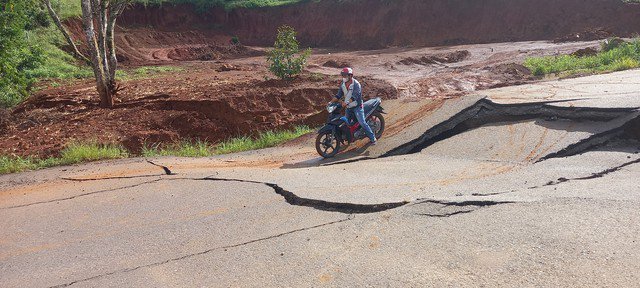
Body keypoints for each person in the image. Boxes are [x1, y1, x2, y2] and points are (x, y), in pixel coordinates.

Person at [331, 67, 377, 145]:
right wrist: (331, 102)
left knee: (362, 122)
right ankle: (351, 138)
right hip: (349, 108)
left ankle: (373, 138)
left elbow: (355, 97)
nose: (344, 77)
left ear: (350, 76)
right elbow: (338, 95)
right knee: (346, 123)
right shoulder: (343, 84)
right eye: (342, 75)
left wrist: (346, 102)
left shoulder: (356, 84)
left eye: (345, 75)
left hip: (357, 107)